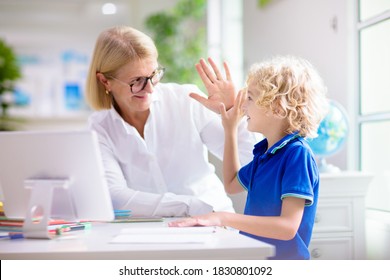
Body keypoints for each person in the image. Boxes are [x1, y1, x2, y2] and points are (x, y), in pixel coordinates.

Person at [85, 26, 256, 217]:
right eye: (137, 81)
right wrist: (189, 206)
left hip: (214, 220)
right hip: (156, 231)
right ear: (105, 81)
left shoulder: (185, 100)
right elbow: (116, 197)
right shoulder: (99, 127)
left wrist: (233, 113)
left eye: (153, 75)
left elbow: (251, 163)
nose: (149, 89)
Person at [169, 55, 329, 260]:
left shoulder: (296, 154)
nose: (242, 105)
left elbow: (287, 227)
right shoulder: (265, 153)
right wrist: (230, 130)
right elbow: (232, 184)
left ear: (277, 107)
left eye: (250, 98)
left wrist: (223, 218)